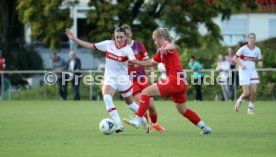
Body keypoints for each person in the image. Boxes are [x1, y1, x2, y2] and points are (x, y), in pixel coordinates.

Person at [124, 28, 211, 135]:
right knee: (183, 110)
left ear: (160, 38)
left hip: (175, 80)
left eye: (155, 40)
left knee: (145, 92)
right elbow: (150, 63)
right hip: (181, 82)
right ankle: (204, 127)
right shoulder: (161, 51)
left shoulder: (166, 46)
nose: (154, 42)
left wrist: (165, 48)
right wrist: (135, 62)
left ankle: (137, 120)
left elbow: (171, 46)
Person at [65, 27, 149, 133]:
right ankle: (119, 124)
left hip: (123, 79)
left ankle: (144, 120)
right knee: (107, 98)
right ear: (114, 36)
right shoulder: (108, 44)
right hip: (110, 78)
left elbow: (135, 64)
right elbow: (90, 46)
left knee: (131, 105)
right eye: (117, 37)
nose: (119, 39)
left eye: (121, 37)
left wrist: (134, 63)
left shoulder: (128, 49)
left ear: (126, 37)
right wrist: (74, 39)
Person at [121, 24, 165, 132]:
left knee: (151, 105)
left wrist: (153, 74)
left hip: (142, 78)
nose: (125, 37)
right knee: (142, 103)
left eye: (126, 34)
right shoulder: (120, 48)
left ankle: (154, 123)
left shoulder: (139, 45)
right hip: (130, 79)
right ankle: (147, 126)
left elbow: (148, 61)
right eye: (123, 35)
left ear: (130, 34)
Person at [233, 33, 263, 115]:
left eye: (253, 38)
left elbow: (260, 60)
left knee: (254, 91)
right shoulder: (243, 49)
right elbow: (234, 58)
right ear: (248, 39)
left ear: (255, 39)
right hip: (244, 72)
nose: (252, 39)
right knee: (246, 92)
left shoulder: (257, 50)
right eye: (250, 38)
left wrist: (260, 63)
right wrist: (241, 65)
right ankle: (239, 101)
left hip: (252, 71)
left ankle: (250, 110)